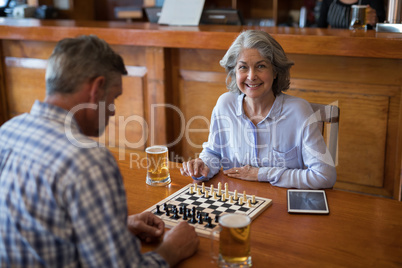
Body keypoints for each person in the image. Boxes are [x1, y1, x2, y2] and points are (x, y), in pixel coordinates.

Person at [0, 35, 199, 267]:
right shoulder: (88, 161)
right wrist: (172, 250)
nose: (113, 110)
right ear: (96, 89)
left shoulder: (7, 132)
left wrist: (113, 226)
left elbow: (35, 227)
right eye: (114, 97)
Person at [180, 30, 336, 189]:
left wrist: (262, 173)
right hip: (236, 204)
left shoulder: (299, 111)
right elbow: (213, 154)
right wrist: (203, 165)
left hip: (281, 206)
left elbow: (324, 175)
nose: (251, 76)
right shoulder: (224, 105)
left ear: (275, 71)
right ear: (235, 71)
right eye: (243, 67)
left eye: (261, 66)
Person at [317, 0, 385, 29]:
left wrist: (376, 21)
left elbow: (382, 25)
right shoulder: (328, 1)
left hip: (363, 47)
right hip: (334, 45)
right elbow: (320, 26)